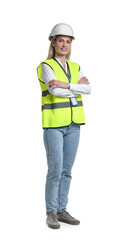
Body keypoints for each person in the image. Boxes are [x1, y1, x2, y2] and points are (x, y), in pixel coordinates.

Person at [37, 23, 91, 229]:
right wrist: (77, 88)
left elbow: (89, 88)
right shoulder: (46, 66)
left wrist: (68, 85)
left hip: (74, 124)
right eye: (61, 40)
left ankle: (62, 209)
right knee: (55, 169)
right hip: (54, 125)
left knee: (67, 170)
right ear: (53, 42)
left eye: (68, 41)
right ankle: (51, 212)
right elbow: (54, 92)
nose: (64, 44)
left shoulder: (76, 66)